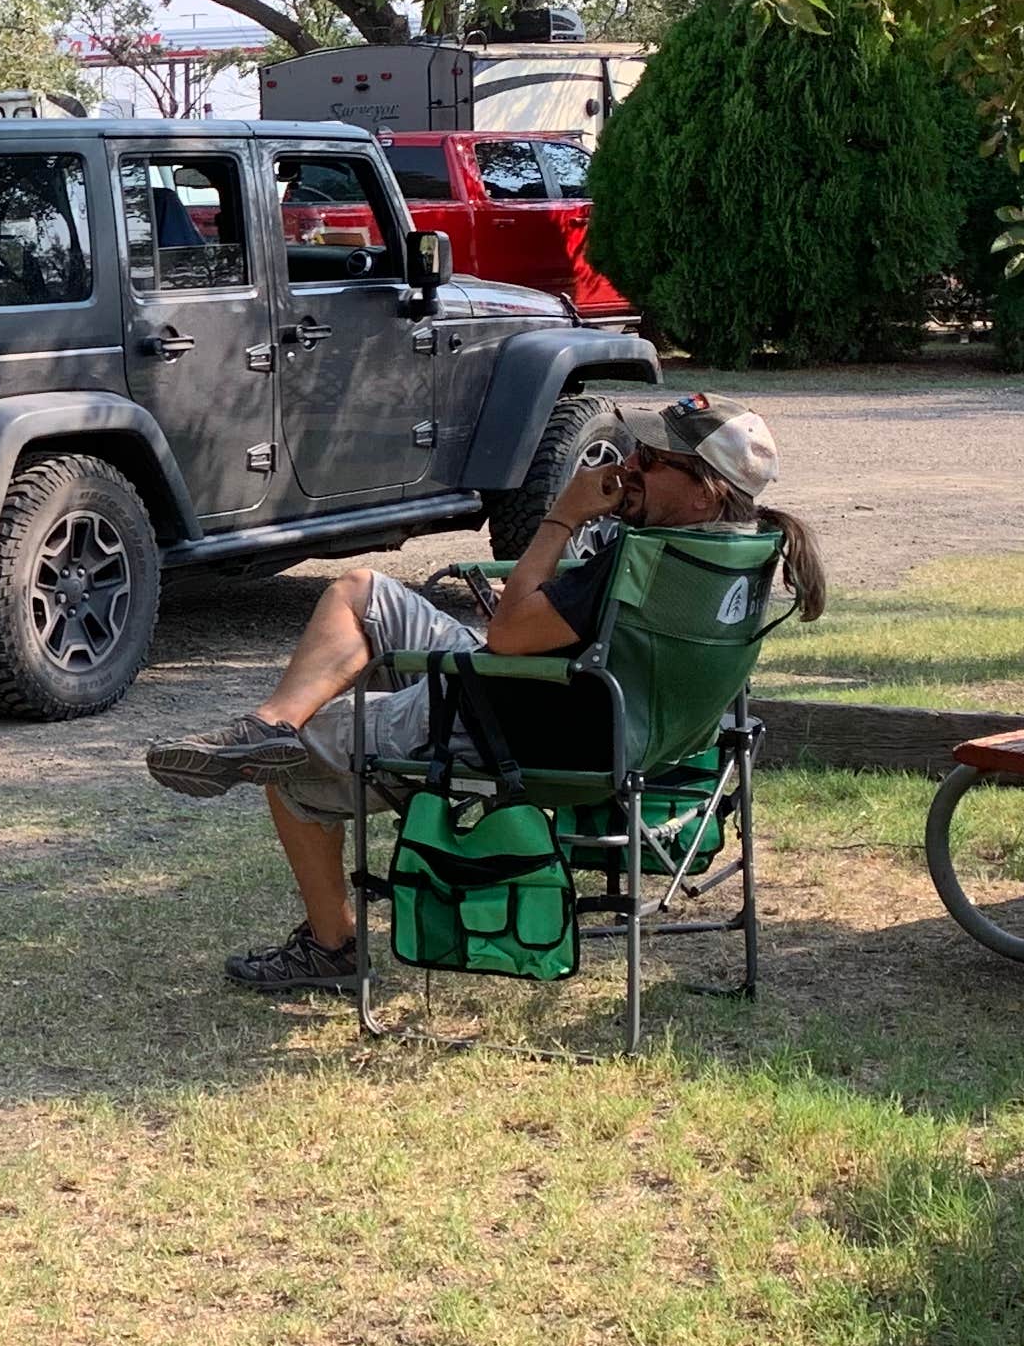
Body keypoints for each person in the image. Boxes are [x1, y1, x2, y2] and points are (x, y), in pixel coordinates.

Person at [141, 393, 825, 993]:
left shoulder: (641, 558)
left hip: (514, 723)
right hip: (610, 720)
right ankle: (272, 722)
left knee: (288, 773)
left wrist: (560, 519)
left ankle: (332, 946)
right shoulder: (736, 549)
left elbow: (504, 639)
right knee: (362, 594)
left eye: (652, 460)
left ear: (704, 490)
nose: (629, 466)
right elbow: (573, 625)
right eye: (636, 450)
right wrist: (538, 604)